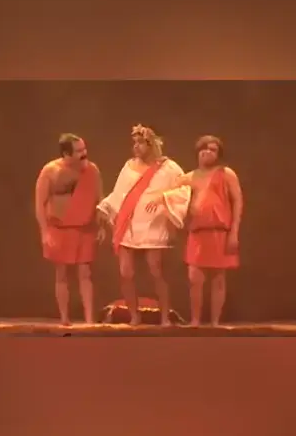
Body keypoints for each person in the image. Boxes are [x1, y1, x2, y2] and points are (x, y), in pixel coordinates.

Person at [97, 124, 190, 326]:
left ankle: (165, 317)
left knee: (157, 272)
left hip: (153, 225)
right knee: (126, 273)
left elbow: (184, 190)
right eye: (134, 143)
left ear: (151, 144)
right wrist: (105, 209)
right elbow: (119, 193)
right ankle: (134, 316)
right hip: (128, 225)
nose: (136, 147)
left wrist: (164, 197)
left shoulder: (169, 168)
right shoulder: (129, 166)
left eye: (141, 142)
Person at [146, 135, 243, 327]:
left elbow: (238, 202)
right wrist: (160, 198)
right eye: (204, 149)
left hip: (219, 232)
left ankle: (215, 323)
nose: (207, 152)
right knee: (194, 278)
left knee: (218, 278)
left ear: (218, 154)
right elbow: (171, 196)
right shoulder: (188, 178)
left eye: (212, 149)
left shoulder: (226, 174)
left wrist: (234, 233)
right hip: (197, 232)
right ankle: (195, 321)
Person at [35, 133, 104, 326]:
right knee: (62, 273)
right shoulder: (50, 171)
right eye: (79, 151)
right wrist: (44, 232)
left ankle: (89, 319)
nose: (84, 153)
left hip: (85, 228)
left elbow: (100, 200)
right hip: (59, 228)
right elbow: (40, 204)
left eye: (84, 149)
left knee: (85, 273)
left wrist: (101, 225)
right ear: (66, 154)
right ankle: (64, 318)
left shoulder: (92, 170)